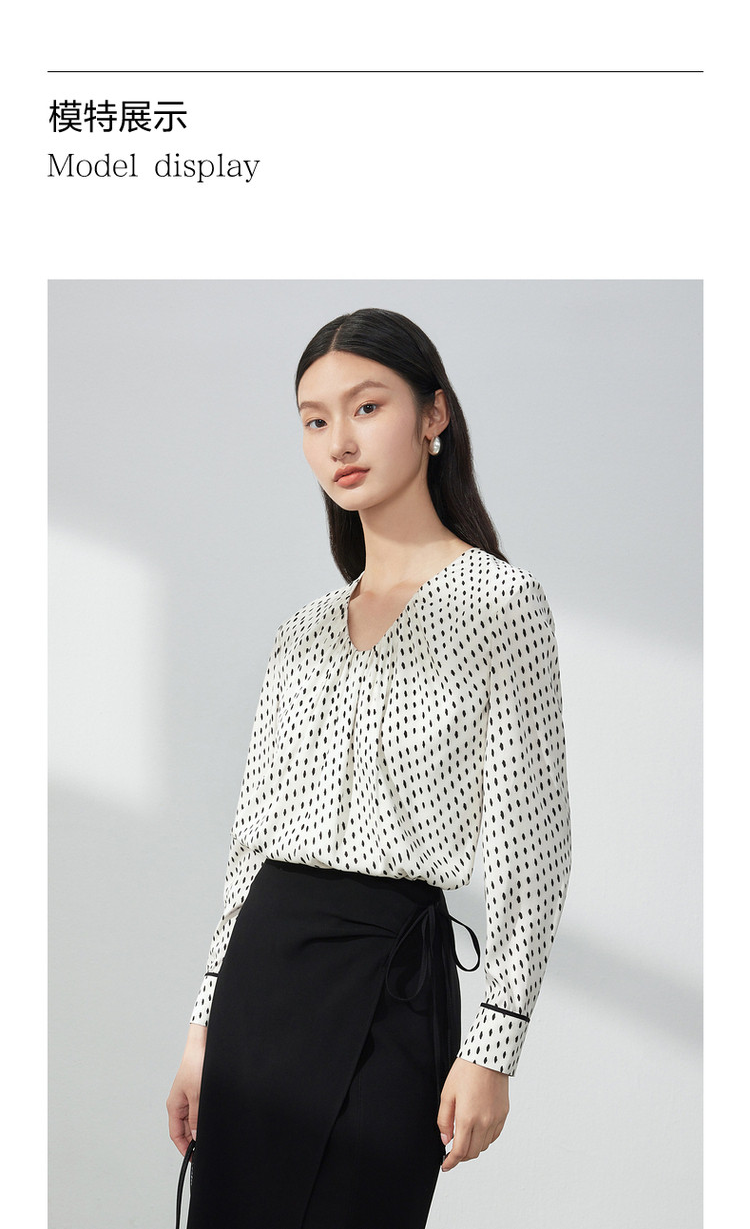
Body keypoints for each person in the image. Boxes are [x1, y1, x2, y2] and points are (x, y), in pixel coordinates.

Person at [166, 307, 573, 1229]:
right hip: (263, 978)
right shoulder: (303, 632)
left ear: (434, 414)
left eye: (366, 406)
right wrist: (202, 1027)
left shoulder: (500, 603)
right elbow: (250, 846)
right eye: (315, 420)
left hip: (393, 981)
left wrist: (495, 1044)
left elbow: (533, 844)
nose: (339, 442)